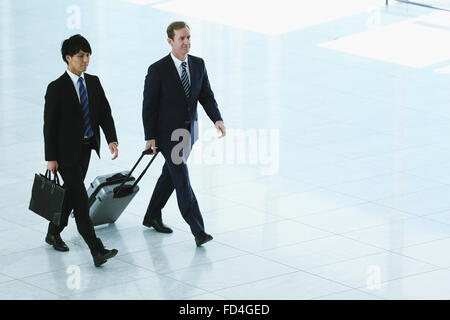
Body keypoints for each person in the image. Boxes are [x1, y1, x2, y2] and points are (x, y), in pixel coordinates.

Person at [142, 21, 226, 246]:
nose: (187, 42)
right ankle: (198, 230)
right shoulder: (158, 70)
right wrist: (150, 137)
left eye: (188, 37)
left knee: (170, 175)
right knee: (181, 179)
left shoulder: (198, 64)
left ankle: (151, 215)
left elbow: (206, 95)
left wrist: (216, 118)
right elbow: (148, 106)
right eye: (181, 38)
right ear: (170, 41)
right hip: (167, 135)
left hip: (189, 132)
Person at [43, 34, 119, 267]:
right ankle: (96, 250)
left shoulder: (93, 82)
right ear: (68, 58)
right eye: (80, 56)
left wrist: (111, 140)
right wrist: (51, 158)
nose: (85, 60)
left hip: (86, 149)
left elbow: (105, 113)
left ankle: (53, 232)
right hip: (65, 155)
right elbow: (49, 125)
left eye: (87, 55)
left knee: (70, 194)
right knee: (80, 199)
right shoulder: (56, 88)